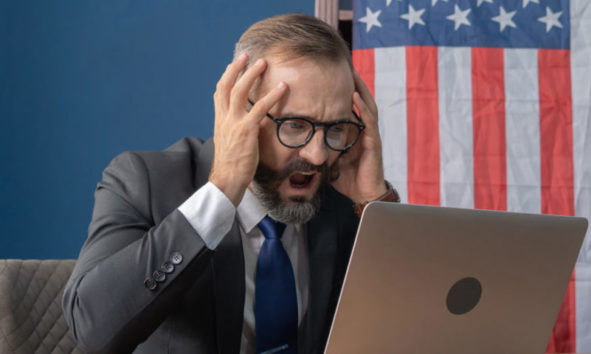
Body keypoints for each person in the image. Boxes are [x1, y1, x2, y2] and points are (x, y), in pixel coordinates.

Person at [62, 13, 399, 354]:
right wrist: (221, 191)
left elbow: (411, 331)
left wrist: (375, 206)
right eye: (296, 125)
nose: (318, 155)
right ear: (238, 112)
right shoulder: (143, 181)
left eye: (336, 127)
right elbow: (92, 329)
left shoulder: (344, 201)